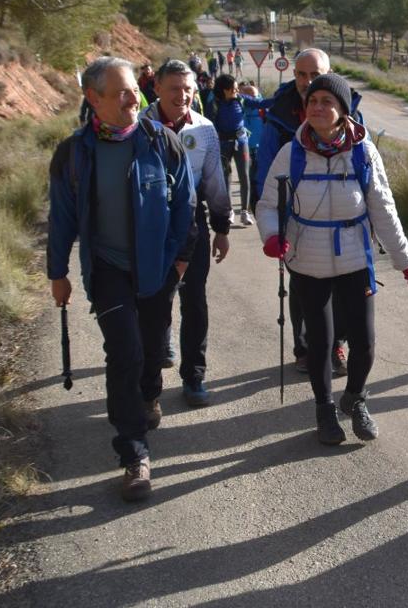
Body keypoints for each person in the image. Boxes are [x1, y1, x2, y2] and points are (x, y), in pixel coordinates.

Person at [47, 57, 196, 502]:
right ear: (94, 99)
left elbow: (186, 207)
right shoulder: (73, 154)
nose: (134, 99)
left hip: (157, 267)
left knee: (152, 349)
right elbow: (63, 218)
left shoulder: (162, 141)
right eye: (122, 93)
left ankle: (149, 393)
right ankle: (133, 453)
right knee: (125, 351)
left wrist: (180, 260)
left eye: (136, 90)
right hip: (108, 269)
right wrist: (57, 272)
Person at [257, 73, 408, 445]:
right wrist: (271, 236)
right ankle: (324, 408)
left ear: (343, 110)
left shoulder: (363, 151)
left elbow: (383, 209)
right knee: (321, 341)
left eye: (326, 102)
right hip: (307, 261)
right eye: (313, 101)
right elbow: (268, 204)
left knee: (364, 342)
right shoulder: (292, 152)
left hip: (354, 261)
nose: (317, 107)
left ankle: (356, 397)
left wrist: (405, 261)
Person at [252, 48, 363, 375]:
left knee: (343, 287)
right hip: (295, 216)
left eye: (315, 74)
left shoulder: (349, 108)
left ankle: (335, 344)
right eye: (301, 74)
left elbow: (364, 162)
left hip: (342, 215)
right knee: (302, 289)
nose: (307, 81)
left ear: (330, 73)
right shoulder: (280, 113)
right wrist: (271, 222)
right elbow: (265, 168)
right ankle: (306, 348)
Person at [143, 59, 232, 406]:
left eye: (187, 89)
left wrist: (222, 229)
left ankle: (194, 375)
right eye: (174, 88)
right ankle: (152, 366)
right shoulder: (138, 125)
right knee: (153, 301)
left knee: (194, 300)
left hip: (192, 225)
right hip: (149, 227)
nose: (181, 96)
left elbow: (215, 183)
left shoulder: (205, 129)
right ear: (157, 89)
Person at [207, 73, 270, 227]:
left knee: (245, 177)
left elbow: (261, 103)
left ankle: (244, 212)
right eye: (234, 88)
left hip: (241, 142)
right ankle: (228, 211)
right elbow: (210, 125)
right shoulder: (214, 104)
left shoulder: (241, 99)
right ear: (224, 90)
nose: (237, 90)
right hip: (223, 144)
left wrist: (282, 97)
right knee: (225, 177)